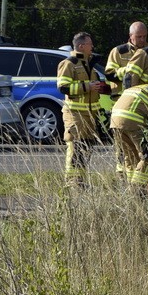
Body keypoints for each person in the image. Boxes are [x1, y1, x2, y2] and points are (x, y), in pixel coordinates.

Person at [56, 32, 109, 184]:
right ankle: (72, 181)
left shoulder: (89, 64)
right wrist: (87, 86)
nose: (92, 47)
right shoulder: (68, 63)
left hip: (90, 114)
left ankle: (81, 180)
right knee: (75, 146)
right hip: (75, 113)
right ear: (81, 46)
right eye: (90, 44)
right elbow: (63, 87)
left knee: (87, 146)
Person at [104, 21, 148, 99]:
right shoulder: (118, 51)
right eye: (139, 36)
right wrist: (130, 71)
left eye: (144, 36)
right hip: (122, 98)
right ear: (130, 36)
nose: (142, 40)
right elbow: (110, 74)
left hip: (144, 98)